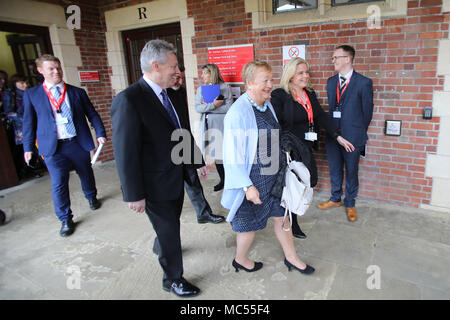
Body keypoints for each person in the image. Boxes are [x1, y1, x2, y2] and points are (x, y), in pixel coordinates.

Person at [111, 40, 202, 298]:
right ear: (155, 65)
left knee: (169, 226)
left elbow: (181, 130)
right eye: (173, 65)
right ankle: (173, 279)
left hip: (174, 177)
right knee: (169, 231)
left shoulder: (170, 92)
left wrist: (195, 163)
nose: (178, 70)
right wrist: (133, 194)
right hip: (153, 184)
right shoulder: (129, 99)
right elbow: (125, 152)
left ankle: (162, 246)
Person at [221, 60, 314, 276]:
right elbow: (232, 155)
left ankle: (292, 258)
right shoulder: (238, 112)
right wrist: (246, 187)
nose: (270, 85)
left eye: (270, 80)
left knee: (283, 218)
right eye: (265, 80)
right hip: (252, 181)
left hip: (275, 177)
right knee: (248, 228)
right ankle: (240, 259)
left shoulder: (266, 104)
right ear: (249, 83)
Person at [22, 54, 106, 237]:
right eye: (51, 68)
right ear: (40, 71)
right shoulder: (32, 95)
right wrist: (27, 148)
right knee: (59, 183)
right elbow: (28, 123)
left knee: (86, 174)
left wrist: (100, 133)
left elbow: (92, 114)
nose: (56, 72)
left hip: (77, 142)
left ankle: (91, 196)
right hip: (53, 148)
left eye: (58, 67)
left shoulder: (77, 92)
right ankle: (65, 219)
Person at [271, 58, 354, 238]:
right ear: (290, 75)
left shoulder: (309, 94)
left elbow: (322, 117)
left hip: (305, 147)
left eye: (306, 72)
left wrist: (337, 136)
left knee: (305, 183)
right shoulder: (280, 95)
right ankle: (291, 222)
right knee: (293, 185)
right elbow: (275, 124)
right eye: (300, 72)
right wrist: (283, 146)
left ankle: (292, 216)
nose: (305, 76)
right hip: (289, 150)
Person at [317, 45, 374, 222]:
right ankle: (335, 198)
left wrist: (355, 133)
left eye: (336, 58)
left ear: (347, 59)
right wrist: (335, 133)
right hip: (333, 136)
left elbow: (367, 113)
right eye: (332, 58)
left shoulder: (364, 82)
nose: (333, 61)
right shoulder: (331, 82)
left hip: (352, 137)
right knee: (334, 168)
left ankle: (350, 202)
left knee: (351, 171)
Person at [168, 68, 225, 224]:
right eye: (177, 77)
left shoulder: (179, 92)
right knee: (170, 188)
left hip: (182, 142)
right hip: (165, 149)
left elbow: (184, 124)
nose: (180, 81)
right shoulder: (153, 96)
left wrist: (197, 159)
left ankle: (203, 213)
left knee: (192, 179)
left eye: (181, 77)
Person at [195, 63, 233, 192]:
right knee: (216, 154)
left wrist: (211, 108)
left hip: (222, 125)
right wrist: (213, 105)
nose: (202, 75)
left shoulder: (225, 87)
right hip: (208, 126)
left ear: (212, 73)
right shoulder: (201, 89)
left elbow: (229, 108)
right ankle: (223, 180)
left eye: (205, 73)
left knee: (225, 154)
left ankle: (230, 181)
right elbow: (198, 108)